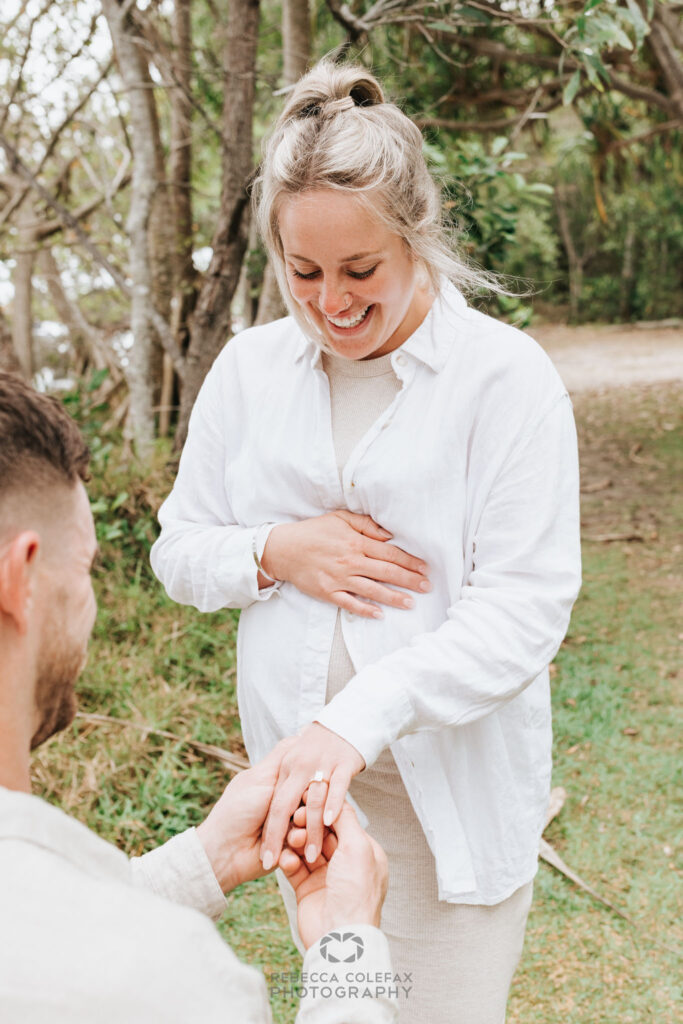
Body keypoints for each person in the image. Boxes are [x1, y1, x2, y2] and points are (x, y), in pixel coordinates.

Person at [151, 60, 582, 1022]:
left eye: (360, 272)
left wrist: (354, 720)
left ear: (416, 239)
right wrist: (275, 548)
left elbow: (523, 612)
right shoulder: (247, 372)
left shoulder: (504, 382)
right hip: (312, 815)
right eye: (303, 274)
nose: (331, 302)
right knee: (349, 1004)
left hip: (452, 812)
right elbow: (177, 551)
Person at [0, 370, 398, 1024]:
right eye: (87, 567)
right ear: (22, 579)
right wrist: (346, 946)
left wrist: (199, 861)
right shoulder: (165, 980)